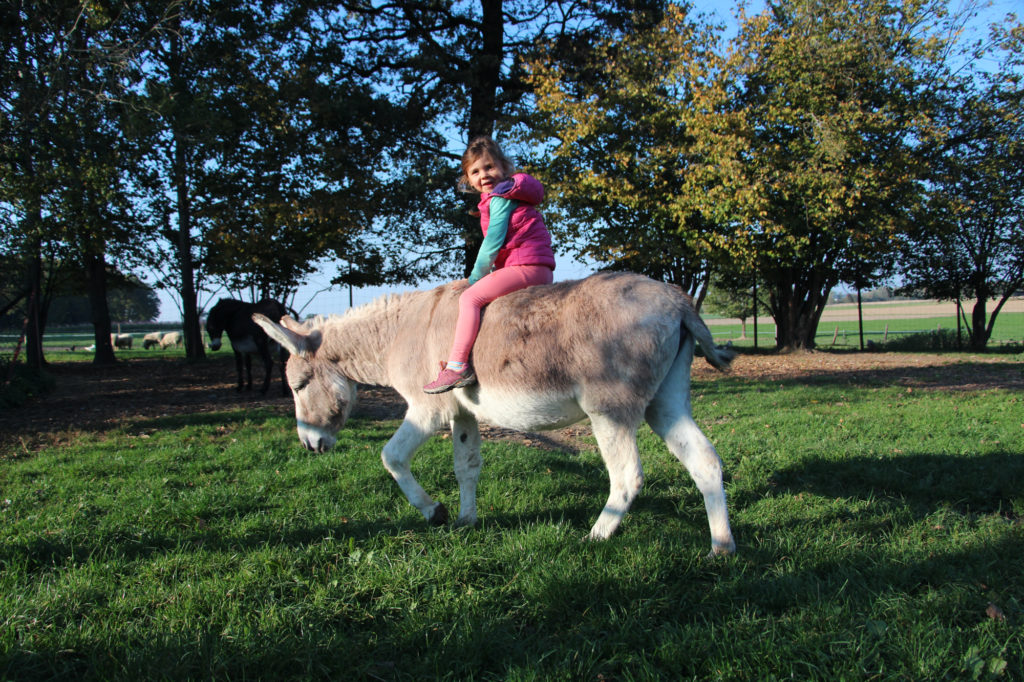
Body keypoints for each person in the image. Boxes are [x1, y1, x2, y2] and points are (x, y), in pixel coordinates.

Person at [423, 136, 556, 393]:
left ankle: (458, 367)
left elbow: (492, 244)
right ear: (468, 179)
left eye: (489, 167)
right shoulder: (503, 196)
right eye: (475, 171)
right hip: (533, 266)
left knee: (470, 299)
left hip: (526, 267)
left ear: (504, 168)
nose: (483, 175)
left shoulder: (500, 197)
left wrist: (474, 281)